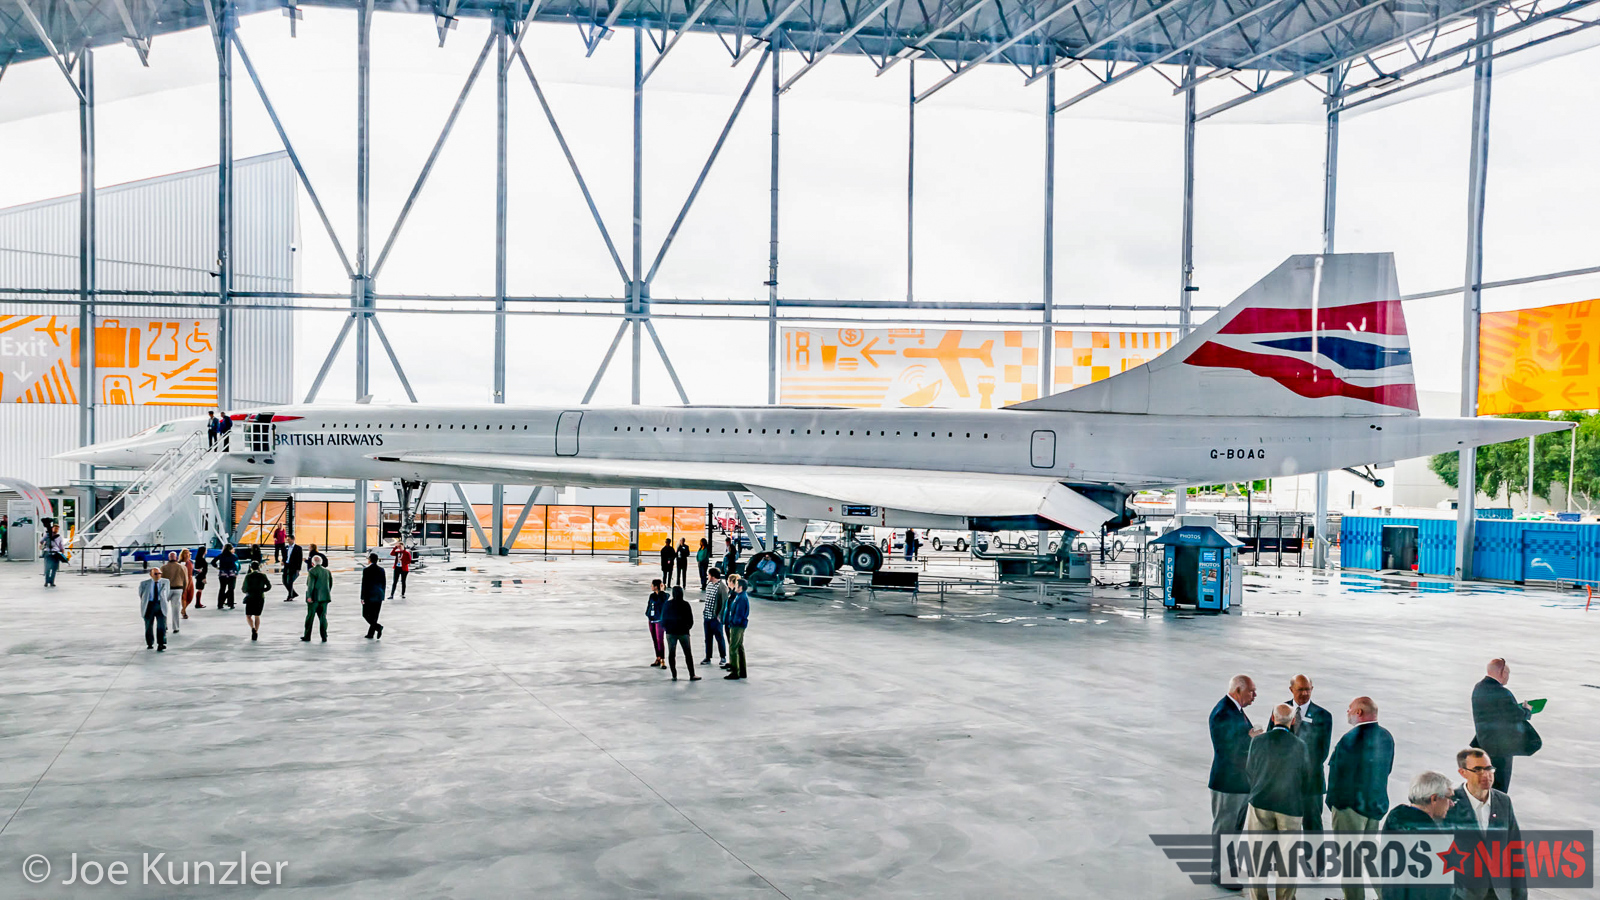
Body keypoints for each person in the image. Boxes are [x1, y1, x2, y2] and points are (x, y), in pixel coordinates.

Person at [1243, 703, 1316, 900]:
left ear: (1273, 718)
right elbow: (1307, 777)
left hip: (1261, 803)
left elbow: (1250, 770)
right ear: (1293, 721)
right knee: (1288, 860)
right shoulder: (1300, 746)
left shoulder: (1258, 742)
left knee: (1257, 858)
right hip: (1290, 807)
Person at [1326, 696, 1394, 900]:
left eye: (1350, 709)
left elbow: (1338, 774)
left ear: (1359, 713)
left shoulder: (1350, 739)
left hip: (1350, 807)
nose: (1347, 712)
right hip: (1375, 806)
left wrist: (1334, 803)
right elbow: (1387, 770)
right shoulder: (1386, 736)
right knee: (1370, 856)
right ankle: (1388, 896)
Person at [1446, 748, 1526, 900]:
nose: (1486, 775)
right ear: (1463, 772)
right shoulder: (1450, 804)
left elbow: (1514, 851)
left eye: (1489, 768)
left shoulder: (1503, 802)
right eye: (1478, 770)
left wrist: (1519, 895)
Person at [1208, 675, 1261, 886]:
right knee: (1225, 828)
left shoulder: (1235, 710)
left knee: (1235, 829)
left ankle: (1229, 867)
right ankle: (1219, 873)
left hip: (1239, 784)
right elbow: (1228, 748)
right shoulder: (1223, 713)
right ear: (1238, 690)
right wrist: (1251, 738)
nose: (1255, 696)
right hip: (1227, 783)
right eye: (1251, 691)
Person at [1380, 772, 1456, 900]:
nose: (1452, 804)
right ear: (1434, 799)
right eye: (1449, 798)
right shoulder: (1436, 838)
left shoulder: (1394, 818)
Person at [1471, 658, 1541, 793]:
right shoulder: (1503, 693)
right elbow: (1516, 716)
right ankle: (1496, 811)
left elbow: (1494, 712)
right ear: (1502, 673)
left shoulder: (1478, 688)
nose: (1508, 678)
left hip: (1482, 744)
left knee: (1483, 785)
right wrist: (1527, 710)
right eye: (1507, 673)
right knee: (1499, 789)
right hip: (1500, 749)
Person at [1286, 674, 1332, 831]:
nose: (1305, 694)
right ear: (1291, 689)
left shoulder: (1324, 716)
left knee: (1313, 828)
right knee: (1285, 829)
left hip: (1311, 784)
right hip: (1285, 783)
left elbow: (1322, 752)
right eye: (1300, 690)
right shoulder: (1280, 710)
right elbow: (1274, 742)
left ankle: (1313, 857)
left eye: (1308, 690)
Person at [661, 585, 699, 681]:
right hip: (683, 632)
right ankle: (692, 674)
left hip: (670, 632)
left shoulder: (667, 604)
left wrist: (667, 628)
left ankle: (674, 674)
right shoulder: (685, 604)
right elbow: (690, 620)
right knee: (688, 653)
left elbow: (663, 618)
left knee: (671, 653)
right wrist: (687, 628)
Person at [700, 568, 728, 667]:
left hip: (715, 618)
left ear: (712, 576)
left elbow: (724, 602)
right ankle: (708, 656)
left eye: (708, 575)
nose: (707, 577)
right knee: (707, 638)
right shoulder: (709, 585)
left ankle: (723, 657)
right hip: (707, 616)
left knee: (719, 637)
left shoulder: (722, 586)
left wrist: (720, 615)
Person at [723, 574, 749, 680]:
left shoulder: (741, 598)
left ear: (740, 587)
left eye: (737, 585)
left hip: (737, 626)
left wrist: (733, 622)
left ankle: (735, 672)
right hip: (738, 625)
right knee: (739, 646)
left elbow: (738, 613)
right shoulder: (740, 596)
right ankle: (742, 671)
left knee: (733, 647)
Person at [302, 554, 332, 642]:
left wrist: (309, 596)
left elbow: (310, 585)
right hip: (325, 598)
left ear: (312, 563)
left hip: (314, 598)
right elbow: (330, 584)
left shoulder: (312, 571)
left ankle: (307, 636)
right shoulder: (327, 571)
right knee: (323, 617)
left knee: (310, 617)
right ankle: (324, 636)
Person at [138, 567, 170, 651]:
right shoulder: (144, 584)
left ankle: (161, 643)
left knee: (161, 625)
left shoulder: (166, 582)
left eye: (159, 573)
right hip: (149, 605)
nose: (158, 575)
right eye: (155, 574)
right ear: (151, 574)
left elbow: (167, 593)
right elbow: (141, 595)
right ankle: (150, 642)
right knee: (149, 625)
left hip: (161, 605)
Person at [241, 560, 271, 640]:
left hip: (250, 597)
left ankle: (252, 628)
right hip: (260, 597)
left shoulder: (248, 576)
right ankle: (256, 631)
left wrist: (247, 591)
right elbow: (269, 586)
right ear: (259, 567)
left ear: (251, 567)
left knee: (248, 615)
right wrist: (262, 590)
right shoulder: (263, 575)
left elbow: (244, 588)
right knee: (257, 616)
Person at [361, 552, 386, 639]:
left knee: (365, 614)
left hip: (369, 595)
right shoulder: (382, 570)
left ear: (370, 560)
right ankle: (371, 632)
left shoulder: (366, 570)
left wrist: (362, 597)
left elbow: (364, 584)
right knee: (375, 615)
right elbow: (384, 583)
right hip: (378, 594)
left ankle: (377, 628)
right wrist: (382, 594)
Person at [160, 551, 190, 619]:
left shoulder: (163, 568)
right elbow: (186, 580)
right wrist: (184, 589)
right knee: (175, 609)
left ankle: (164, 624)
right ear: (176, 557)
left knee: (164, 607)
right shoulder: (183, 567)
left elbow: (160, 580)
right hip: (178, 589)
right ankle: (176, 627)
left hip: (166, 589)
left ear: (169, 557)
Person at [646, 579, 668, 668]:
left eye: (652, 585)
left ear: (656, 587)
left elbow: (661, 602)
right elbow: (650, 605)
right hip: (651, 619)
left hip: (659, 620)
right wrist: (647, 614)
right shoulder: (651, 596)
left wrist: (661, 591)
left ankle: (662, 659)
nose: (651, 587)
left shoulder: (664, 596)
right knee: (655, 639)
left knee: (660, 640)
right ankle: (658, 657)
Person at [216, 543, 238, 609]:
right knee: (231, 589)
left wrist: (218, 567)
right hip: (231, 574)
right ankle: (231, 604)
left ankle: (220, 604)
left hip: (223, 574)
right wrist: (236, 572)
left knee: (222, 589)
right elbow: (236, 565)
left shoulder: (221, 555)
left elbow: (213, 562)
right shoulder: (234, 556)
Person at [282, 536, 304, 601]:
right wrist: (283, 561)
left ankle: (290, 596)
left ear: (293, 539)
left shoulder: (298, 548)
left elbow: (300, 559)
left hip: (293, 567)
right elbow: (284, 556)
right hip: (286, 566)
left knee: (290, 581)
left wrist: (298, 568)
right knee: (284, 581)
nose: (287, 541)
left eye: (289, 539)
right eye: (287, 539)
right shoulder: (285, 548)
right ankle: (293, 593)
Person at [179, 548, 197, 618]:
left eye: (187, 553)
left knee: (190, 596)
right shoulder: (180, 562)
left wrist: (197, 571)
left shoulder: (191, 562)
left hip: (190, 579)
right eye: (185, 553)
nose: (186, 554)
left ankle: (183, 609)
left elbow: (192, 571)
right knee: (184, 596)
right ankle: (184, 612)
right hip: (183, 580)